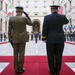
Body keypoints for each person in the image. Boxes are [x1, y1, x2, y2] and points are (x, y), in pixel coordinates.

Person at [42, 5, 69, 75]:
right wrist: (63, 16)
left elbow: (45, 28)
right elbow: (67, 22)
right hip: (60, 38)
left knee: (50, 55)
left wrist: (44, 37)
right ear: (57, 10)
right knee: (59, 55)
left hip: (50, 39)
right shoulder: (62, 17)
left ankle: (52, 70)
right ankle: (58, 70)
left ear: (51, 10)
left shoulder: (47, 17)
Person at [8, 6, 33, 74]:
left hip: (14, 38)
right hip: (22, 39)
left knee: (15, 54)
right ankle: (20, 68)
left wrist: (9, 38)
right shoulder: (24, 18)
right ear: (22, 11)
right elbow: (31, 23)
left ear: (16, 11)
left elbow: (9, 30)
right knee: (21, 54)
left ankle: (16, 69)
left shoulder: (11, 19)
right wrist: (27, 15)